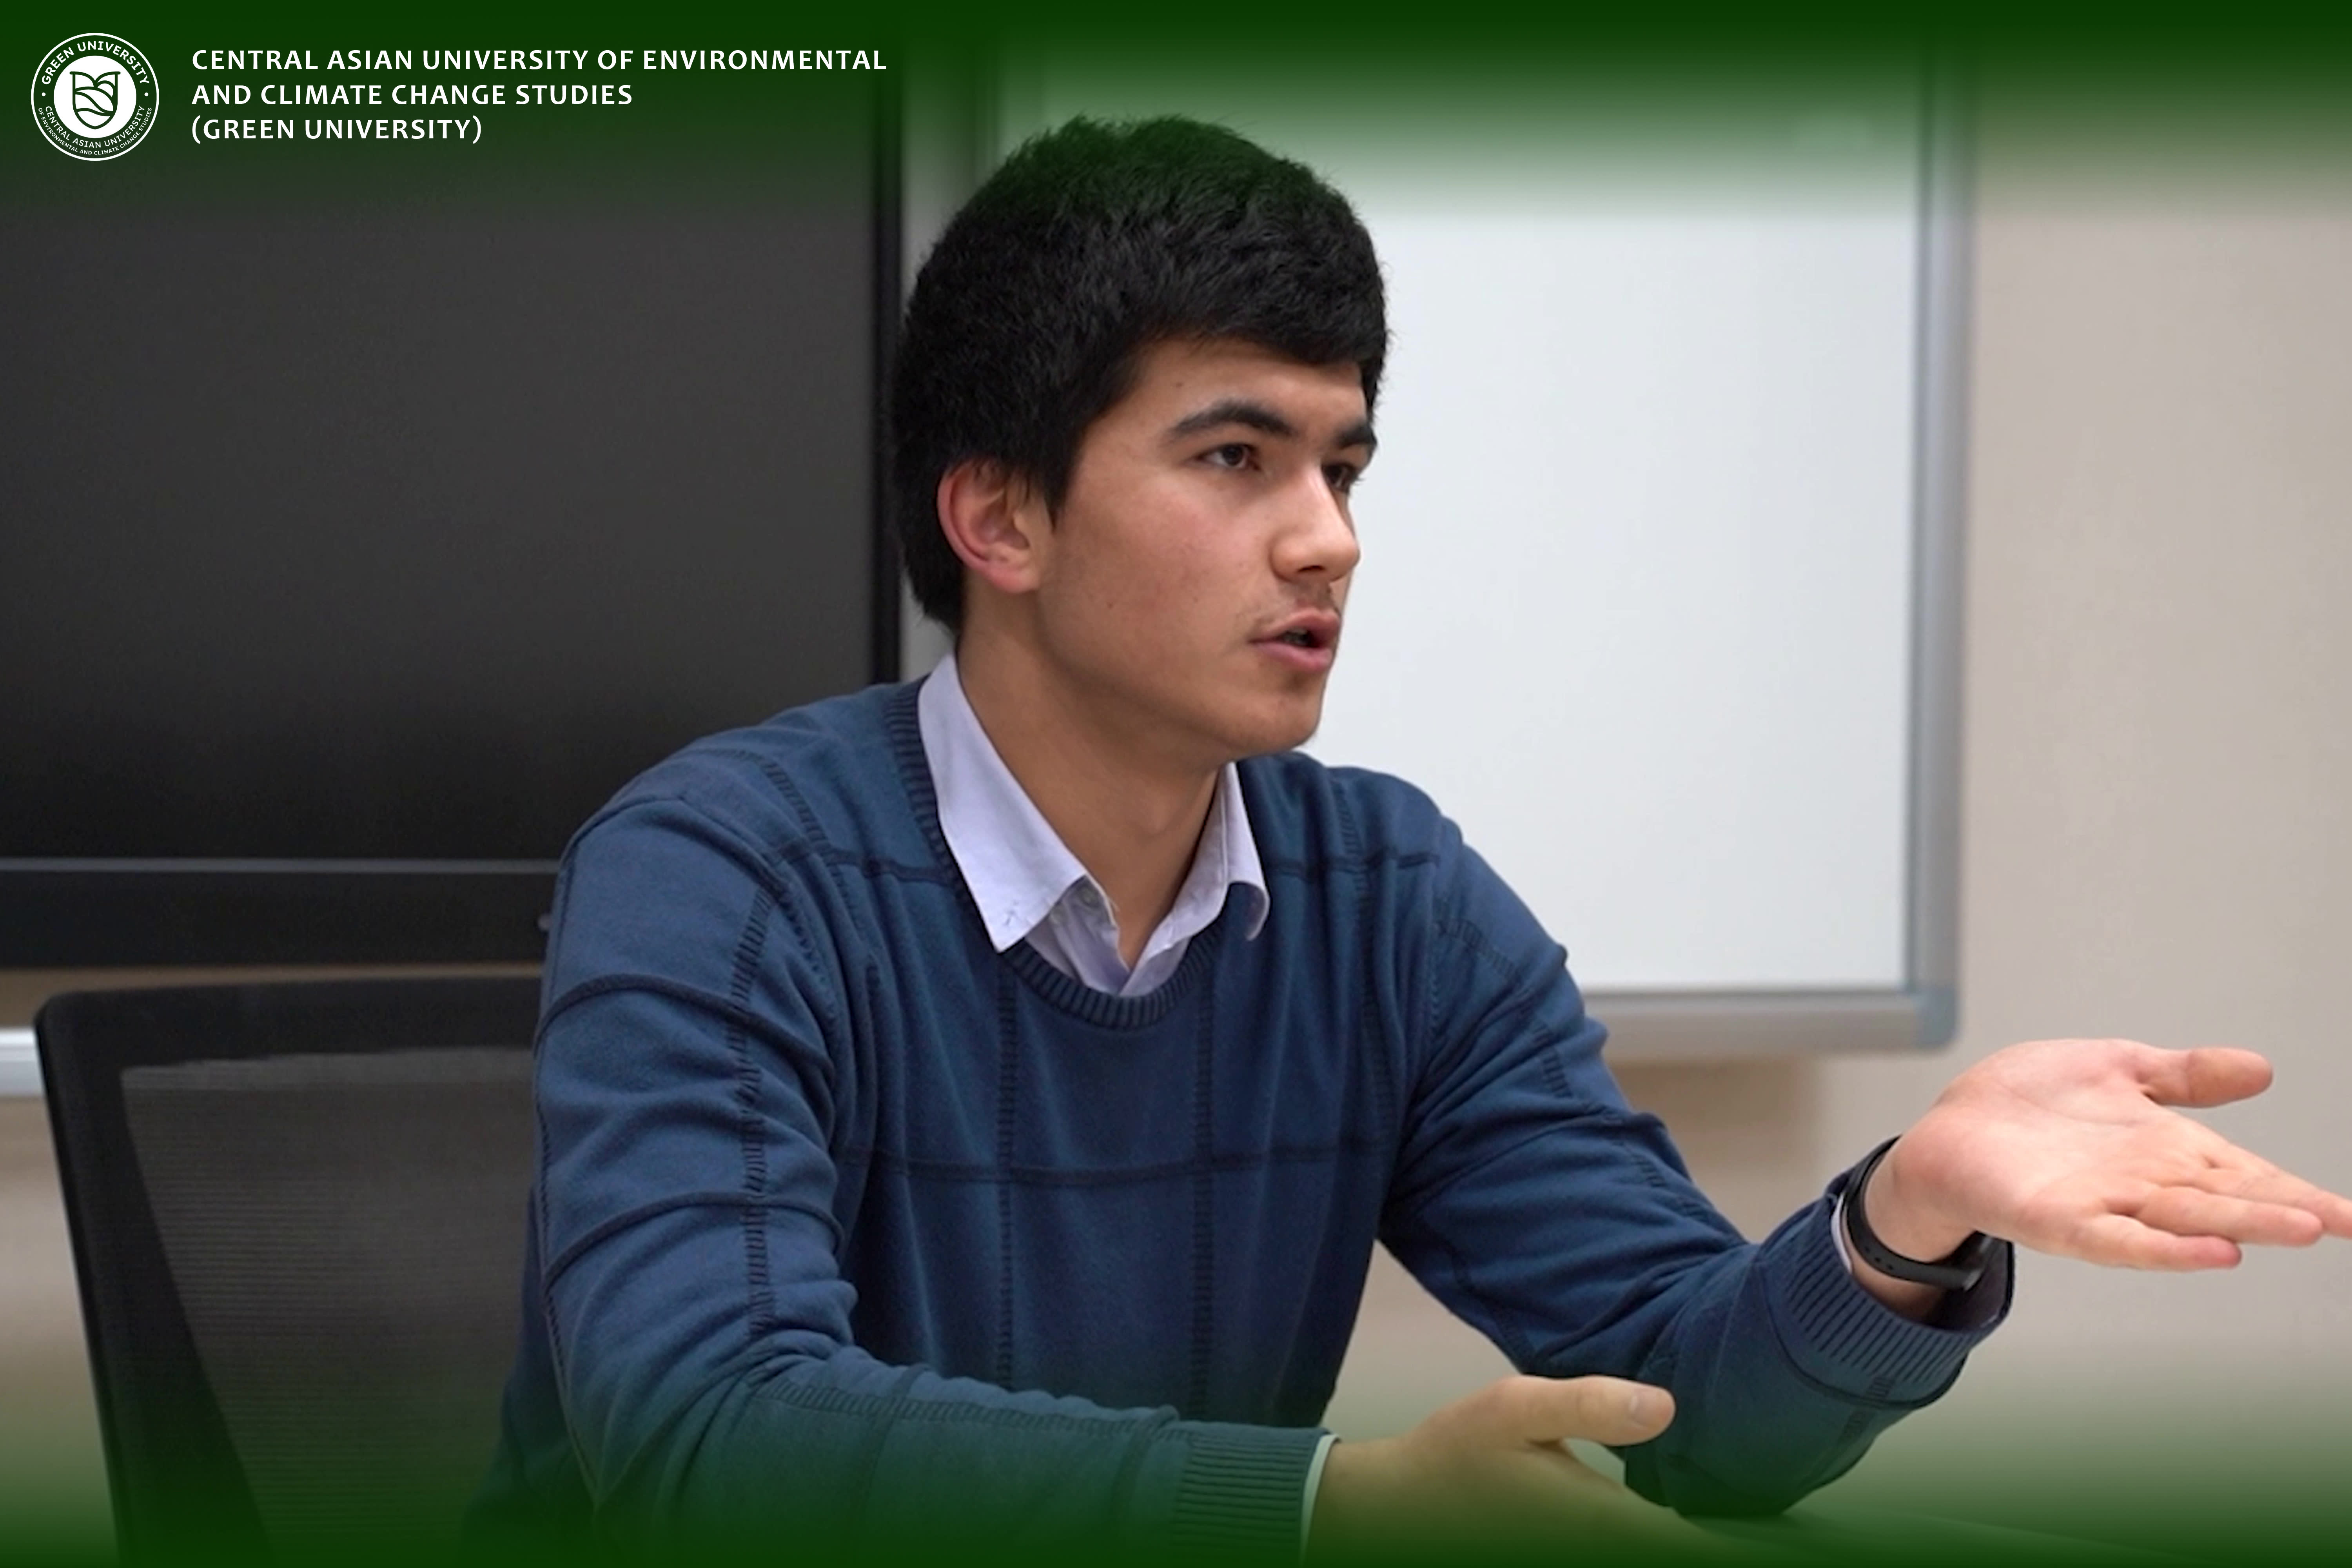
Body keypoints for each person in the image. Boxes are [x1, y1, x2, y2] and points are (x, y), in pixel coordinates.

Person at [477, 116, 2352, 1561]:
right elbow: (716, 1440)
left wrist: (1900, 1220)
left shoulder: (1387, 895)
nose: (1330, 539)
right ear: (1001, 517)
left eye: (1344, 466)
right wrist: (1325, 1507)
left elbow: (1679, 1404)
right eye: (1237, 459)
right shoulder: (722, 873)